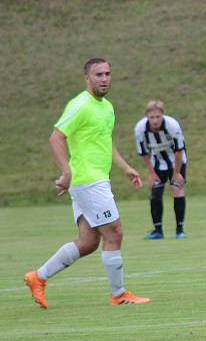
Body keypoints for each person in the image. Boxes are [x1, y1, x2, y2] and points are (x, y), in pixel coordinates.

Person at [24, 58, 150, 309]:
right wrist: (66, 172)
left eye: (107, 74)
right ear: (87, 78)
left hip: (96, 179)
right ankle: (119, 294)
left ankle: (37, 277)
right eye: (98, 74)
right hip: (88, 180)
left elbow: (105, 141)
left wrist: (125, 168)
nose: (104, 79)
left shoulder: (107, 108)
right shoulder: (80, 105)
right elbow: (56, 137)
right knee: (114, 232)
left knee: (89, 242)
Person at [134, 101, 188, 239]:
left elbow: (178, 151)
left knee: (177, 189)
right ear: (147, 117)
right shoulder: (140, 128)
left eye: (158, 116)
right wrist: (151, 174)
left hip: (176, 161)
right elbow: (144, 153)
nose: (155, 120)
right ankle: (158, 231)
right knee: (155, 192)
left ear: (163, 115)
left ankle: (179, 230)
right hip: (157, 162)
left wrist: (176, 174)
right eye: (152, 117)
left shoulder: (172, 125)